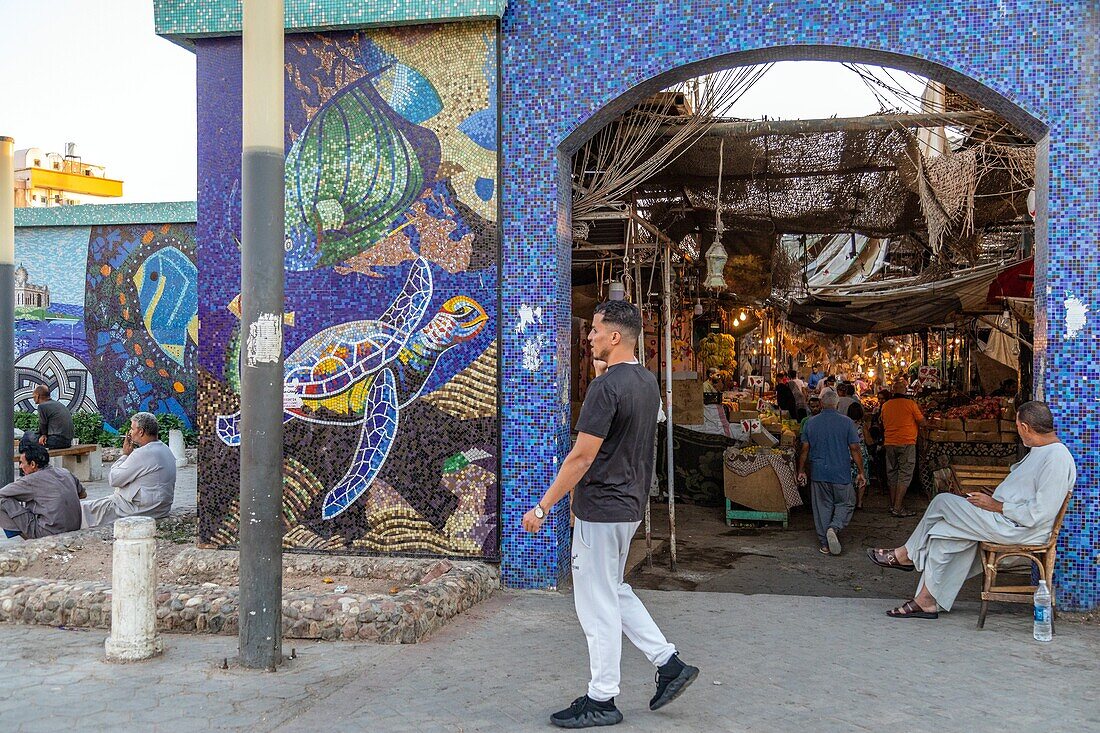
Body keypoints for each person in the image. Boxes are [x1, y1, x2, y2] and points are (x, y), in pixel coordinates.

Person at [522, 300, 698, 728]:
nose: (589, 337)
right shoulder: (645, 382)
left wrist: (543, 506)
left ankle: (602, 698)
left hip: (600, 509)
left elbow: (581, 458)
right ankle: (668, 662)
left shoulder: (605, 389)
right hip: (630, 506)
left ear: (615, 336)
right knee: (614, 590)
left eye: (596, 331)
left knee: (595, 603)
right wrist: (603, 374)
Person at [866, 401, 1075, 618]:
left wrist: (995, 505)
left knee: (942, 502)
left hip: (1020, 529)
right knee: (943, 533)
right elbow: (1025, 492)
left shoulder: (1056, 458)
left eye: (1016, 426)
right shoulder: (1041, 452)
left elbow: (1041, 513)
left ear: (1024, 427)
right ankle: (926, 601)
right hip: (1004, 518)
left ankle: (906, 554)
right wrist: (994, 496)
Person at [798, 389, 865, 555]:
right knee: (847, 502)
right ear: (837, 404)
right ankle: (834, 527)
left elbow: (804, 449)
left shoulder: (810, 423)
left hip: (819, 471)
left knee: (822, 507)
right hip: (840, 471)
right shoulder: (847, 422)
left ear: (821, 404)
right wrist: (861, 472)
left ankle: (825, 544)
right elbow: (855, 448)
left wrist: (801, 471)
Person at [81, 412, 177, 528]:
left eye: (132, 429)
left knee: (83, 510)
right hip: (159, 509)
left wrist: (125, 455)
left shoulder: (143, 454)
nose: (130, 432)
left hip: (136, 510)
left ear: (141, 431)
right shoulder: (165, 449)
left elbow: (114, 479)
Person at [0, 445, 85, 541]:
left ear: (32, 464)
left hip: (48, 532)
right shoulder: (65, 472)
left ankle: (29, 539)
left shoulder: (30, 480)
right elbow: (82, 494)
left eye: (21, 463)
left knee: (2, 501)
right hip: (74, 529)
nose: (20, 466)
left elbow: (1, 494)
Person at [880, 379, 924, 517]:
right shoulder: (910, 404)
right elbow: (922, 421)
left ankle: (893, 505)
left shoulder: (886, 405)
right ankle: (898, 507)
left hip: (890, 443)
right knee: (904, 475)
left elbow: (882, 421)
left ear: (893, 391)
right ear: (905, 391)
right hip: (906, 442)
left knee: (892, 473)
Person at [19, 386, 75, 451]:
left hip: (56, 441)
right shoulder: (58, 404)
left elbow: (43, 425)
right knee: (31, 437)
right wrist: (43, 434)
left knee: (27, 435)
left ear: (37, 395)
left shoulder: (42, 406)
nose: (33, 398)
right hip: (68, 442)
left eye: (33, 395)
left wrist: (43, 435)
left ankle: (22, 458)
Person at [847, 402, 871, 509]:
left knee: (850, 477)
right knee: (862, 475)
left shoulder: (846, 425)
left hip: (848, 453)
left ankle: (850, 500)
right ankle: (859, 502)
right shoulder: (862, 425)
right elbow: (869, 441)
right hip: (861, 453)